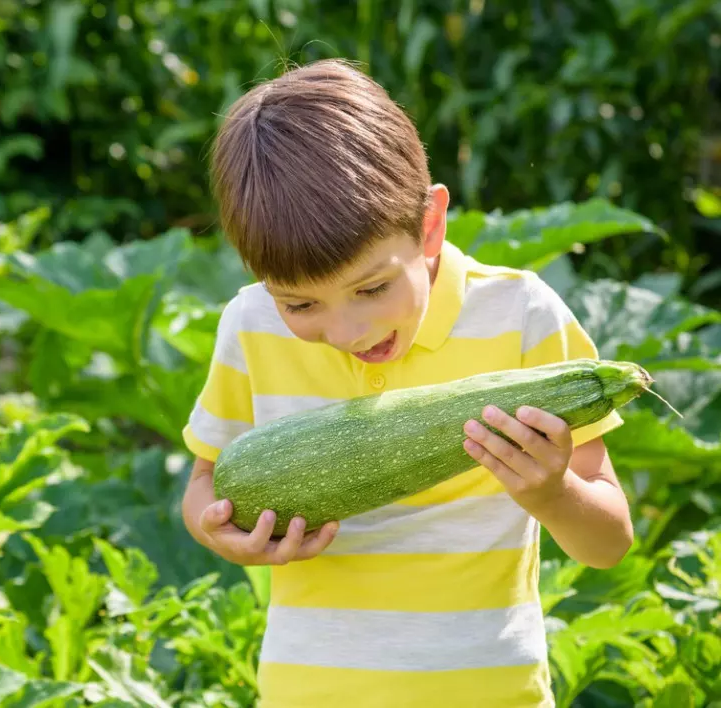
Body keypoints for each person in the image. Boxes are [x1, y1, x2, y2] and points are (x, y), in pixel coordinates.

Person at [180, 58, 634, 708]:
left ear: (430, 226)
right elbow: (205, 481)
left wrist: (555, 491)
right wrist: (214, 529)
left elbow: (609, 543)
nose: (346, 331)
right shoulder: (250, 325)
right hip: (308, 695)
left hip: (491, 694)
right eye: (301, 305)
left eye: (372, 288)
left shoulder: (523, 319)